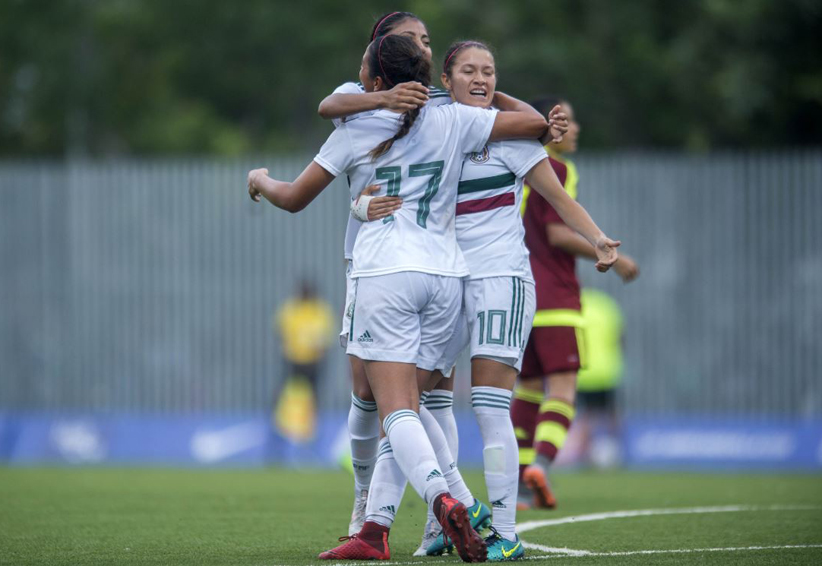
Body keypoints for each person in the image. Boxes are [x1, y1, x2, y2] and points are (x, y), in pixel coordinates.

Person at [246, 34, 572, 562]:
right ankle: (390, 521)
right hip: (446, 276)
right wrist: (547, 125)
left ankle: (448, 501)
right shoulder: (453, 119)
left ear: (374, 81)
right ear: (427, 78)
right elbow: (525, 125)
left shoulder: (354, 129)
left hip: (386, 273)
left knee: (394, 409)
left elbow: (293, 197)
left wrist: (260, 178)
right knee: (429, 402)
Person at [404, 42, 620, 561]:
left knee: (489, 405)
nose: (481, 78)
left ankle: (506, 532)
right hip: (446, 280)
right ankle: (454, 507)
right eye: (469, 71)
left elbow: (558, 198)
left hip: (502, 279)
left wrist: (599, 240)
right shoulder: (436, 128)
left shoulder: (512, 134)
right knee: (408, 397)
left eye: (490, 72)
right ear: (446, 78)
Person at [315, 12, 461, 541]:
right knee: (371, 394)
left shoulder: (442, 103)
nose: (423, 44)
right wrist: (384, 99)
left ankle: (436, 513)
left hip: (423, 267)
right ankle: (371, 502)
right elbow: (328, 106)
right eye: (411, 39)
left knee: (425, 398)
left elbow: (488, 119)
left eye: (426, 38)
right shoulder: (361, 97)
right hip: (372, 265)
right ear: (379, 52)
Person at [510, 96, 639, 510]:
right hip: (554, 296)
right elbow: (555, 233)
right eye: (568, 119)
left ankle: (519, 482)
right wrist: (608, 254)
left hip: (518, 294)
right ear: (549, 123)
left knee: (527, 389)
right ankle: (542, 467)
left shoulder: (514, 164)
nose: (575, 128)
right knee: (562, 389)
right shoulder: (555, 168)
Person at [272, 279, 334, 443]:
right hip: (293, 362)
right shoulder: (292, 308)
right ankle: (284, 433)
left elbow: (324, 339)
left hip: (313, 363)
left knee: (312, 400)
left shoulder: (318, 309)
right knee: (287, 399)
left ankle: (309, 434)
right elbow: (281, 331)